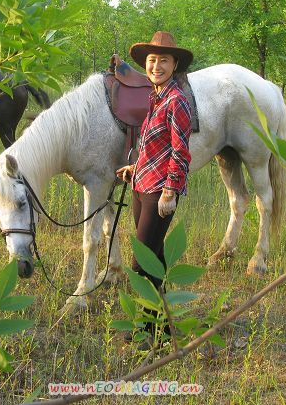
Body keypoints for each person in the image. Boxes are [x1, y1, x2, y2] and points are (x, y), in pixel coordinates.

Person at [116, 31, 193, 343]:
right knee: (156, 258)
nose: (156, 65)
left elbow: (180, 151)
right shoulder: (155, 98)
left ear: (174, 65)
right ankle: (160, 327)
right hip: (141, 184)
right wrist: (135, 168)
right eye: (151, 60)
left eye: (163, 60)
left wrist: (171, 191)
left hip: (159, 191)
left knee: (141, 263)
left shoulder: (177, 101)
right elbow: (155, 147)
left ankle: (144, 331)